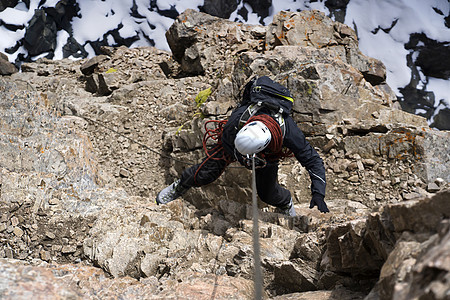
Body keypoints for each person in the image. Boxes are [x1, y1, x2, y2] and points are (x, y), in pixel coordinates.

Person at [156, 76, 329, 216]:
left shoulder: (289, 132)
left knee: (267, 193)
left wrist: (318, 194)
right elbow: (225, 142)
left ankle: (285, 202)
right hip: (234, 144)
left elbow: (313, 161)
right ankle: (180, 186)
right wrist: (240, 156)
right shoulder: (236, 122)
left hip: (268, 156)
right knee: (206, 172)